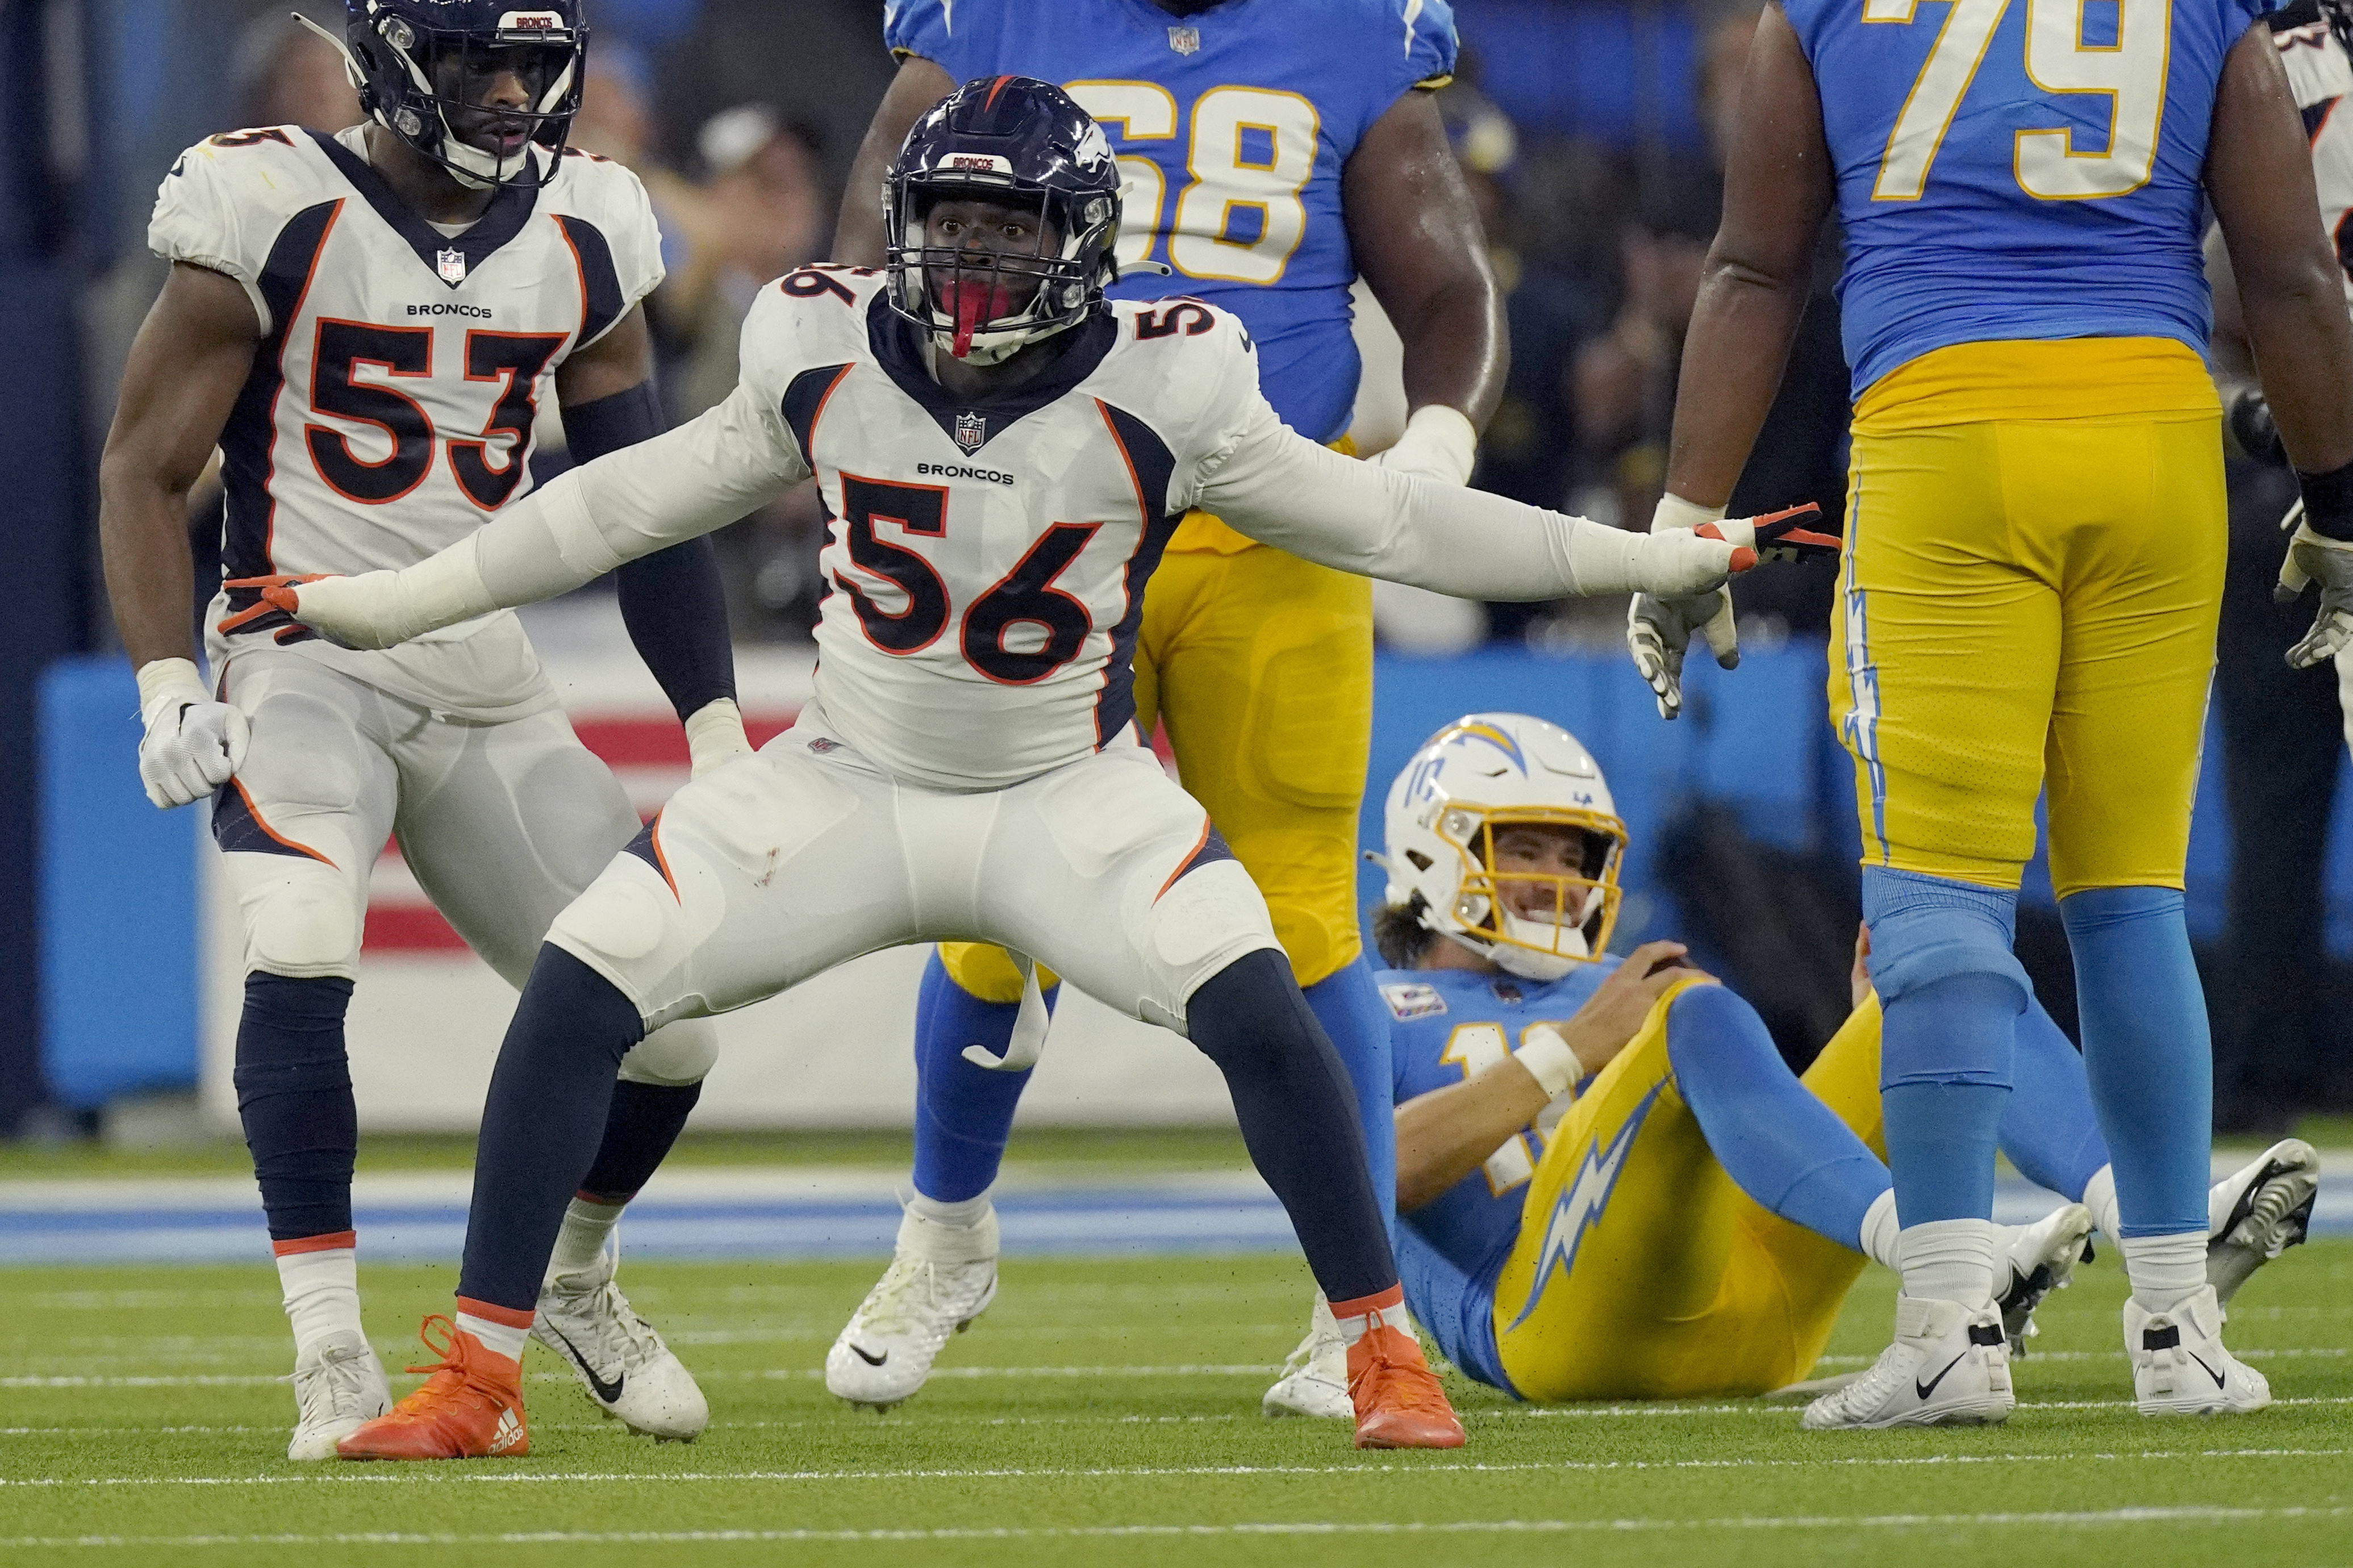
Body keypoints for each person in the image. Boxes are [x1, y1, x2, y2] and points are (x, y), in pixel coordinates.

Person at [265, 77, 1817, 1460]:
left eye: (1003, 231)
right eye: (941, 223)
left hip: (1064, 794)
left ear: (1081, 244)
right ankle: (477, 1372)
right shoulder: (818, 338)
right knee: (582, 980)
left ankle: (1378, 1349)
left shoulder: (1169, 373)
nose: (965, 262)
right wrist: (377, 601)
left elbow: (1395, 526)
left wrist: (1641, 548)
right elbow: (614, 508)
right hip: (844, 778)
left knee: (1264, 1014)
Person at [1625, 0, 2353, 1425]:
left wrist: (1681, 519)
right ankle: (2177, 1328)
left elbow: (1753, 265)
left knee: (1935, 907)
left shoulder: (1825, 10)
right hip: (2154, 437)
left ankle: (1951, 1322)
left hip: (1947, 432)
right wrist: (2338, 511)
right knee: (2131, 899)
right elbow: (2287, 275)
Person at [821, 0, 1508, 1417]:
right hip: (1037, 513)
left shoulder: (1356, 31)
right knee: (989, 891)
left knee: (1309, 906)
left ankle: (1352, 1309)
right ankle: (944, 1237)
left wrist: (1436, 431)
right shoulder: (990, 16)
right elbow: (862, 263)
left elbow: (1446, 285)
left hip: (1273, 520)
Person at [96, 0, 748, 1459]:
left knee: (674, 1018)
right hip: (302, 653)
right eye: (479, 63)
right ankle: (329, 1345)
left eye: (536, 64)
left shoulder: (586, 230)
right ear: (396, 58)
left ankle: (574, 1283)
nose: (516, 95)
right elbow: (143, 467)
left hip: (481, 671)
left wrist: (714, 730)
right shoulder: (270, 200)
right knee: (303, 933)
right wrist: (161, 680)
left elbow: (641, 506)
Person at [1366, 713, 2319, 1407]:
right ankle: (1940, 1254)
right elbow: (1366, 1171)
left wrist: (1870, 1035)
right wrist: (1572, 1049)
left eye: (1572, 857)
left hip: (1763, 1316)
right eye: (1519, 846)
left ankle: (2160, 1219)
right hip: (1559, 1334)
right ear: (1429, 853)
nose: (1554, 879)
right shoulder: (1374, 1005)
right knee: (1691, 1009)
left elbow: (1746, 1127)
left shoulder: (1617, 984)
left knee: (1944, 990)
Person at [2204, 0, 2353, 1128]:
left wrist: (2259, 420)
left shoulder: (2246, 59)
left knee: (2273, 817)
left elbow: (2203, 286)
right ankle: (2265, 1061)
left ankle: (2266, 1069)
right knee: (2270, 808)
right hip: (2296, 472)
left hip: (2283, 469)